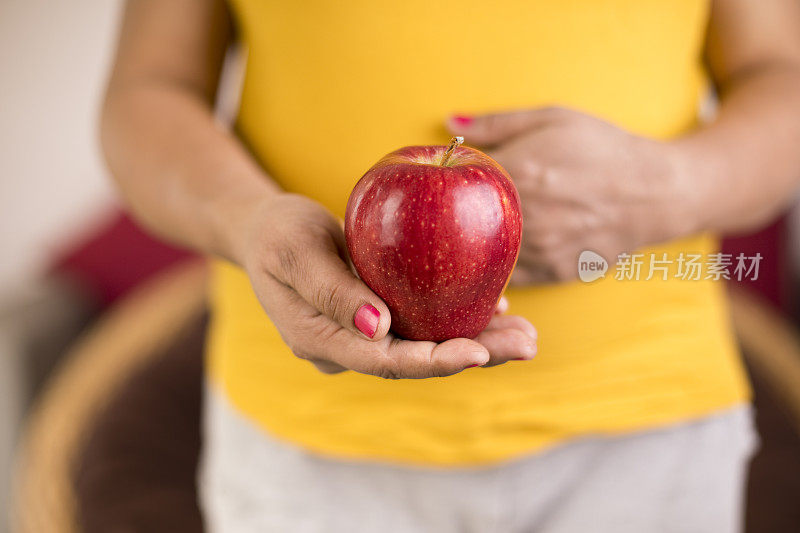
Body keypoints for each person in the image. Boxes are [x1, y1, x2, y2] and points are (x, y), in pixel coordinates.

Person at [101, 0, 800, 531]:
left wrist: (669, 187)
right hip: (306, 451)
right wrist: (245, 220)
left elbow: (782, 75)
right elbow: (148, 88)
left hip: (647, 440)